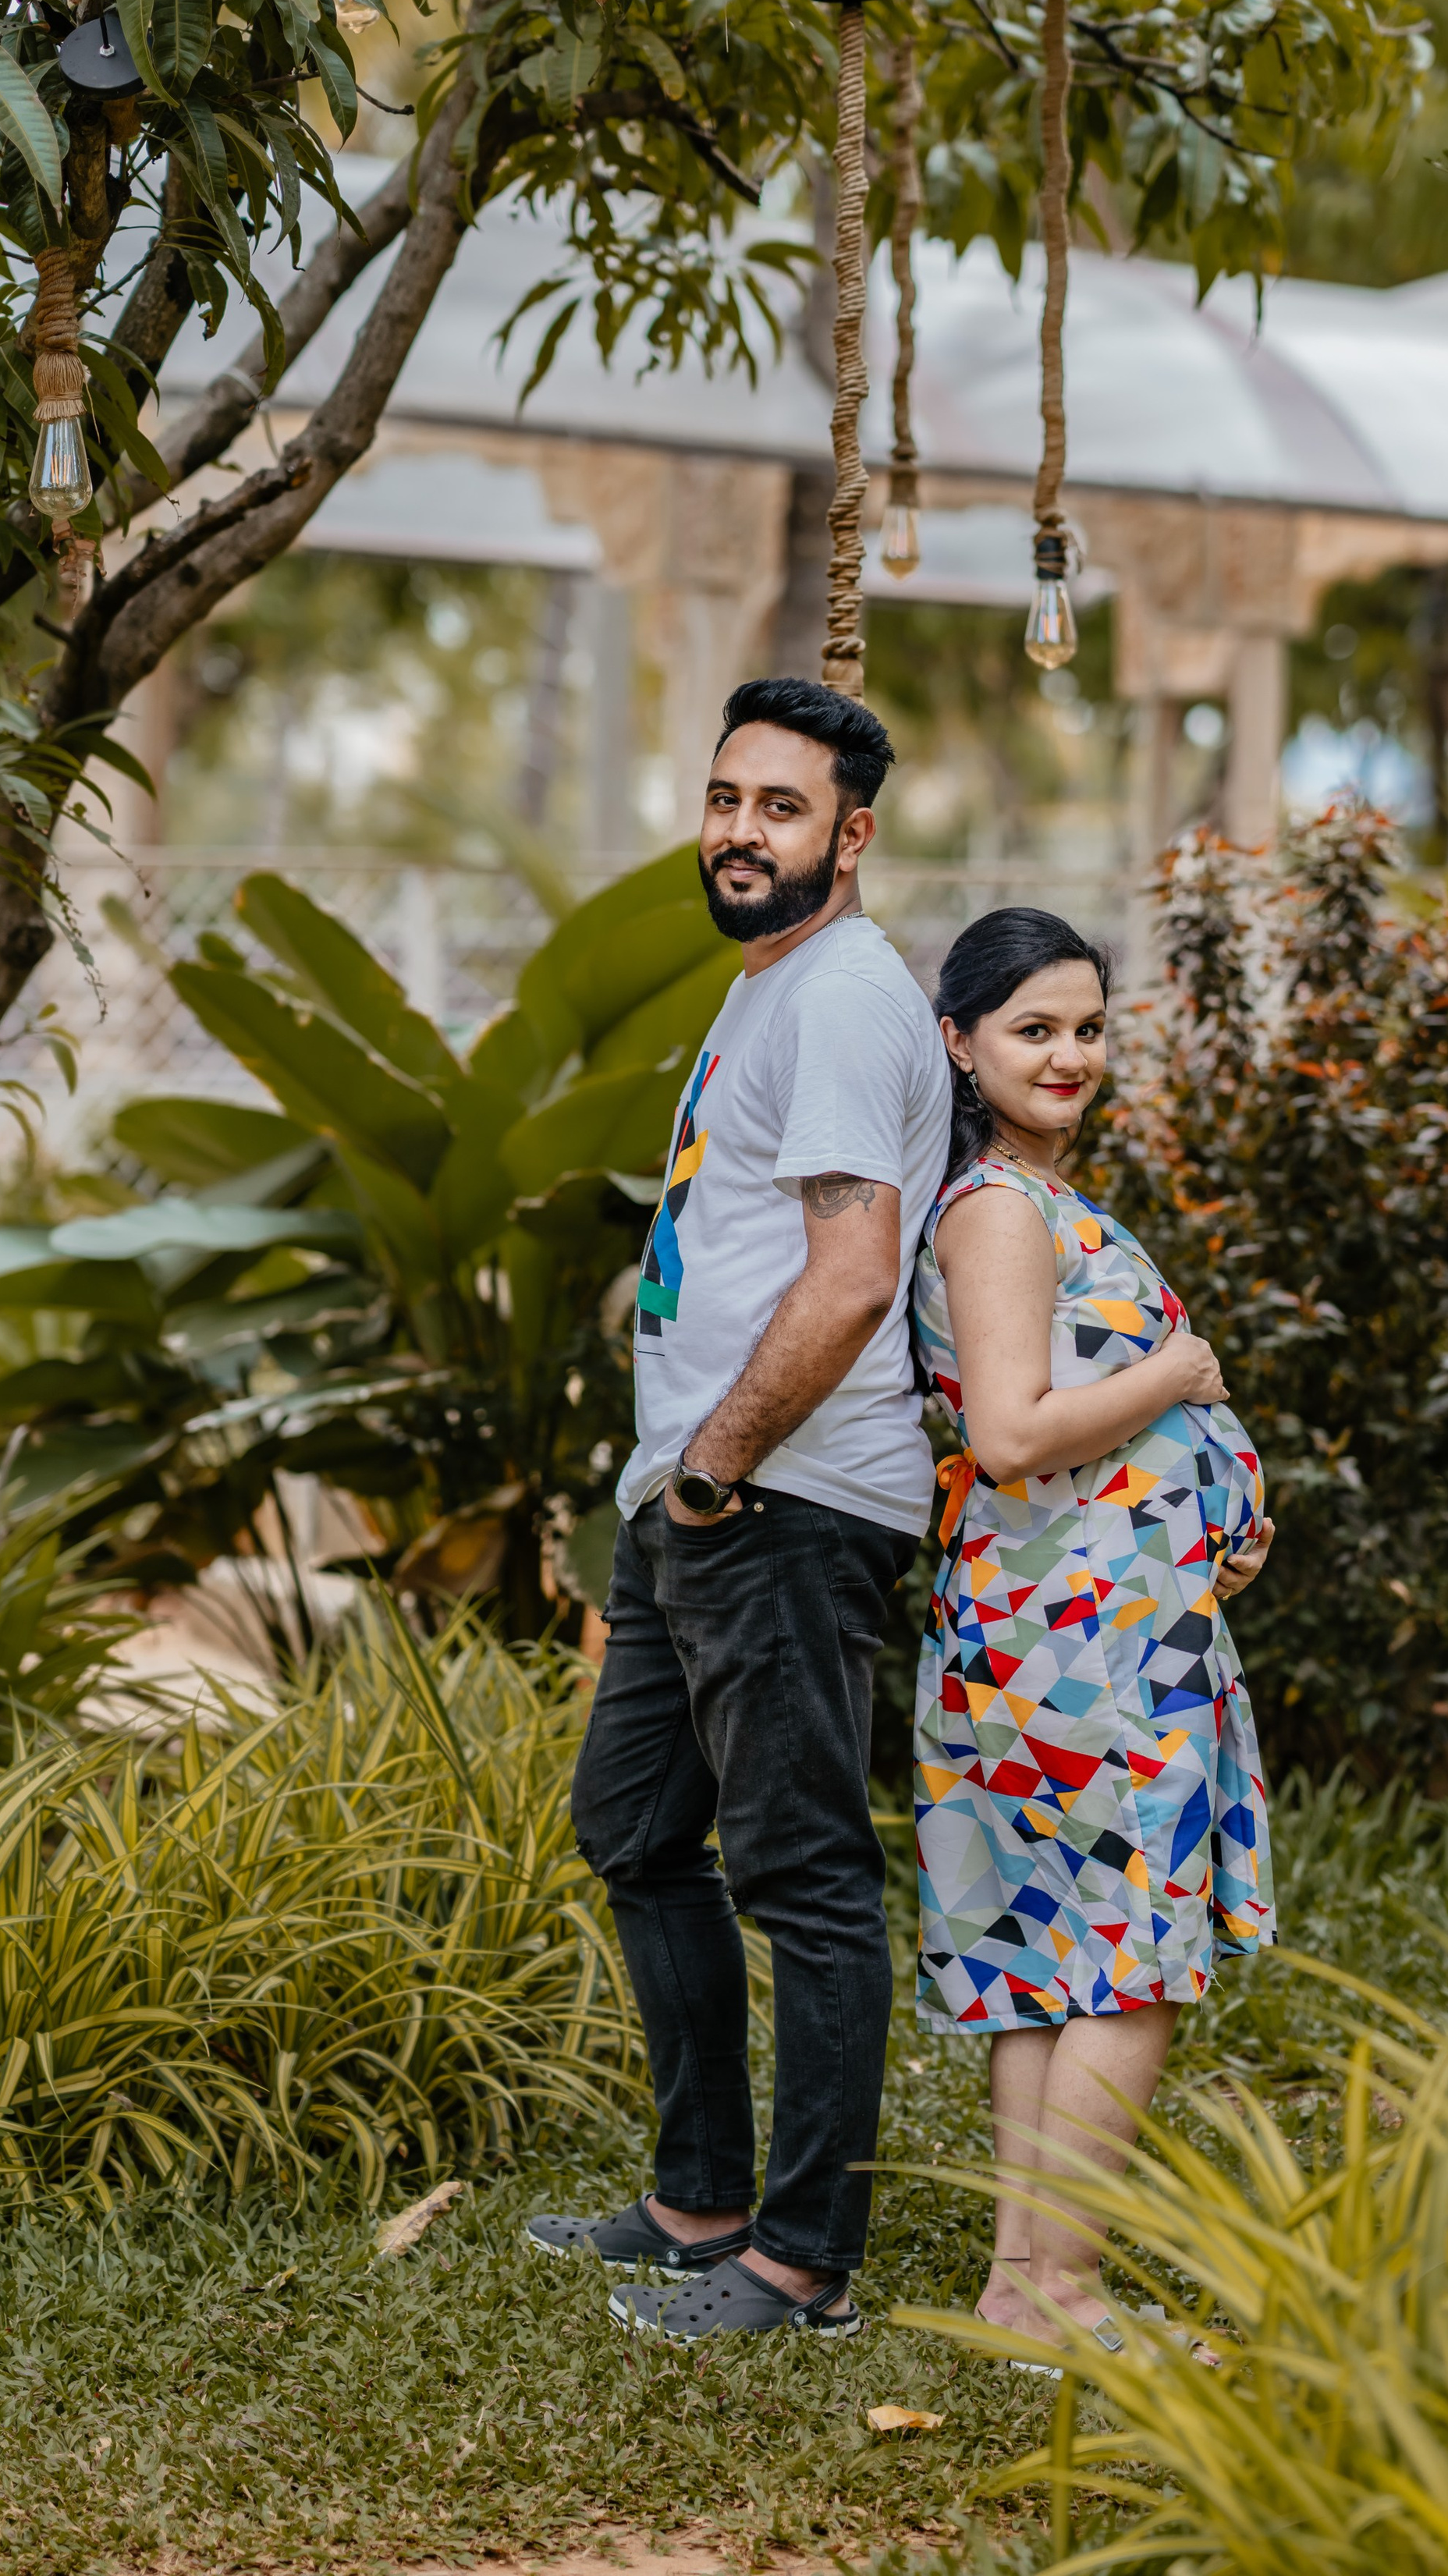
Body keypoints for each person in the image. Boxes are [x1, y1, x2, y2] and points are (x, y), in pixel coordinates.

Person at [530, 678, 950, 2343]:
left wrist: (713, 1466)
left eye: (778, 807)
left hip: (775, 1498)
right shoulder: (766, 987)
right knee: (634, 1829)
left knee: (804, 1878)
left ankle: (792, 2266)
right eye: (723, 797)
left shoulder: (844, 997)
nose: (736, 830)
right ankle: (699, 2196)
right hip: (697, 1498)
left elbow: (850, 1271)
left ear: (849, 836)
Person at [910, 907, 1276, 2358]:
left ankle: (1026, 2287)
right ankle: (1062, 2290)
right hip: (1087, 1647)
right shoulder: (1002, 1208)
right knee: (1132, 1963)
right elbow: (1011, 1433)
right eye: (1032, 1029)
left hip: (1076, 1629)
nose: (1070, 1054)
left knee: (1052, 1960)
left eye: (1088, 1026)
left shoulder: (1032, 1200)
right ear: (962, 1042)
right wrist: (1181, 1369)